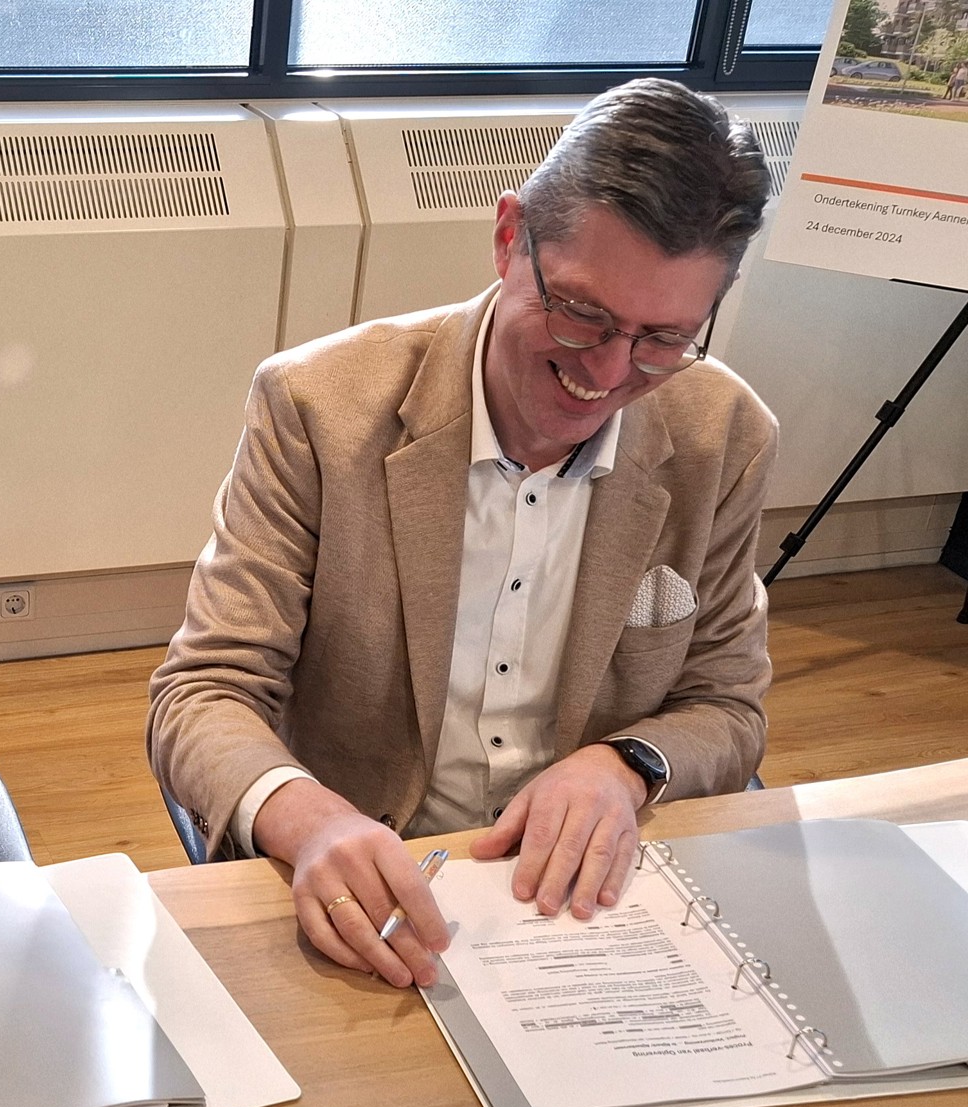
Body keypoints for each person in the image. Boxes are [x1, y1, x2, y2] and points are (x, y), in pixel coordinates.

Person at [148, 78, 775, 992]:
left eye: (662, 338)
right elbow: (203, 692)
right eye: (583, 313)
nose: (608, 372)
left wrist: (627, 765)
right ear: (509, 237)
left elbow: (728, 707)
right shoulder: (319, 408)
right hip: (373, 881)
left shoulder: (724, 434)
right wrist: (309, 819)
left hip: (586, 901)